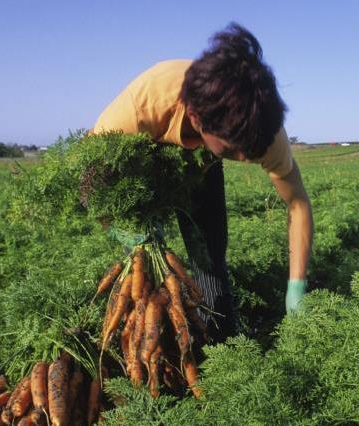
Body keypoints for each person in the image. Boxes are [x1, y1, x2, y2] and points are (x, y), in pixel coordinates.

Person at [90, 23, 313, 343]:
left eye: (251, 150)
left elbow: (298, 203)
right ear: (196, 118)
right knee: (144, 273)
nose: (246, 157)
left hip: (202, 166)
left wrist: (296, 284)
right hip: (137, 167)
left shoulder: (262, 130)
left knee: (209, 258)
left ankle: (222, 343)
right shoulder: (139, 110)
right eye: (234, 148)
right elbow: (92, 181)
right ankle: (151, 342)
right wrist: (121, 226)